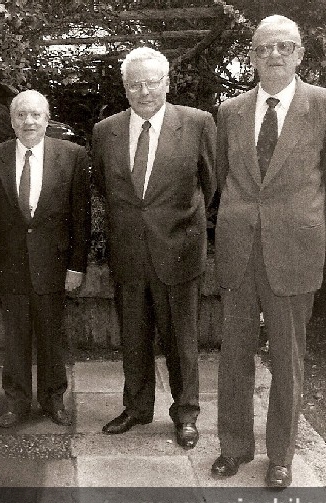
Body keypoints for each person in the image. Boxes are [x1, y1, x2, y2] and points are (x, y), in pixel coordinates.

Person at [213, 15, 326, 488]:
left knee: (289, 358)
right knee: (233, 354)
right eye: (263, 48)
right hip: (238, 249)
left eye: (283, 47)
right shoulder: (229, 111)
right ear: (251, 56)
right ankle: (233, 447)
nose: (272, 54)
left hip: (294, 249)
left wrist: (301, 224)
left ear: (299, 54)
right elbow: (220, 178)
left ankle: (280, 457)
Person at [92, 47, 216, 449]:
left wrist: (180, 225)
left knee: (182, 340)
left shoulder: (198, 123)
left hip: (178, 250)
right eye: (135, 84)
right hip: (129, 251)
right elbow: (106, 190)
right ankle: (137, 407)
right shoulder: (106, 131)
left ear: (167, 82)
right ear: (125, 88)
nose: (144, 91)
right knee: (133, 336)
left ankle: (186, 414)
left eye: (152, 82)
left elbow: (211, 184)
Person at [0, 90, 90, 428]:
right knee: (14, 339)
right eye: (21, 115)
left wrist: (76, 265)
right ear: (11, 121)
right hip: (9, 267)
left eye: (36, 115)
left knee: (52, 337)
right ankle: (16, 402)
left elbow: (80, 218)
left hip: (54, 266)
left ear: (47, 118)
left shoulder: (72, 155)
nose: (29, 121)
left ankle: (54, 399)